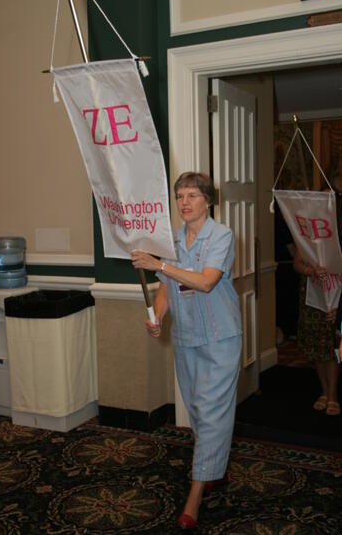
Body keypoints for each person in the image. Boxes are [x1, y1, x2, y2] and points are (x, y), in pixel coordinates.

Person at [131, 172, 242, 529]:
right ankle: (215, 468)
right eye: (180, 196)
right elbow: (166, 289)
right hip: (186, 339)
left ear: (207, 200)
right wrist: (158, 316)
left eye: (192, 195)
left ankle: (193, 498)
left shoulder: (220, 235)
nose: (184, 202)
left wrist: (159, 264)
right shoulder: (172, 240)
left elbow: (207, 281)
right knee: (198, 410)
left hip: (220, 338)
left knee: (210, 412)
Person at [293, 248, 340, 415]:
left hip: (336, 293)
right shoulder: (306, 232)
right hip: (311, 296)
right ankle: (325, 392)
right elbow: (297, 264)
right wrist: (310, 270)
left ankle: (333, 395)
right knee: (317, 344)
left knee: (332, 343)